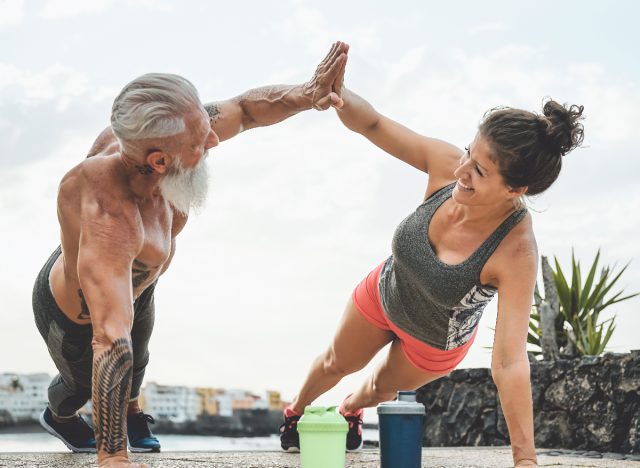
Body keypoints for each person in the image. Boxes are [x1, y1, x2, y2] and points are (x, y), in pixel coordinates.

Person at [33, 43, 348, 468]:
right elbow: (109, 338)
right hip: (76, 315)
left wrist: (307, 93)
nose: (214, 139)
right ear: (159, 160)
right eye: (201, 142)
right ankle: (58, 416)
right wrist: (113, 458)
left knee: (139, 357)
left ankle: (132, 414)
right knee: (79, 386)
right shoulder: (112, 217)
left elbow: (245, 110)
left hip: (139, 282)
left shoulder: (164, 138)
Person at [279, 45, 584, 468]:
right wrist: (339, 95)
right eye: (468, 153)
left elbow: (510, 360)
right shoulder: (448, 164)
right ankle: (294, 413)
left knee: (375, 390)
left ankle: (350, 412)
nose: (461, 171)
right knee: (335, 362)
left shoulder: (515, 251)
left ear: (516, 190)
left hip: (434, 341)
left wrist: (525, 459)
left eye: (479, 171)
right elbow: (372, 123)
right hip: (387, 291)